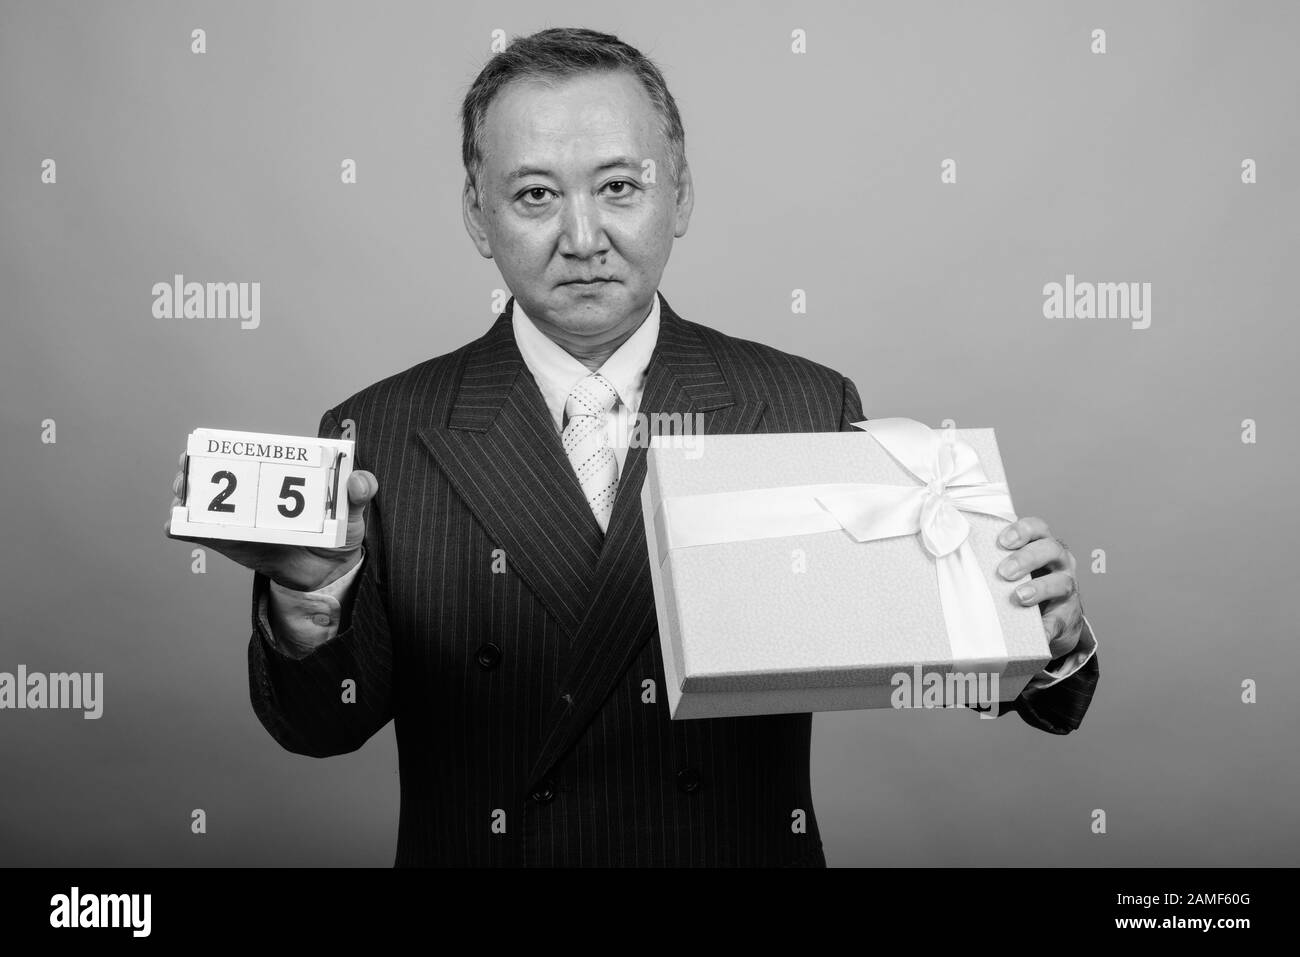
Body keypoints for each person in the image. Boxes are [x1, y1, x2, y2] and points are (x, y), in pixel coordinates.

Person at [166, 27, 1098, 867]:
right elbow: (320, 729)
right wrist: (307, 599)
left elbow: (929, 664)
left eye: (620, 187)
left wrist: (1037, 636)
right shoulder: (379, 433)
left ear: (680, 196)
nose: (583, 237)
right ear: (475, 214)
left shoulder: (803, 405)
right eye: (535, 194)